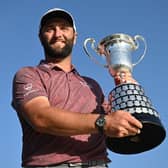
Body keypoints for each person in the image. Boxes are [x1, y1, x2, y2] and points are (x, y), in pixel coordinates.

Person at [12, 8, 143, 168]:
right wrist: (103, 122)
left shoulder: (93, 85)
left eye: (64, 28)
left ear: (75, 37)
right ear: (41, 37)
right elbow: (40, 117)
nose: (58, 33)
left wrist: (129, 94)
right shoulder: (28, 75)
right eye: (50, 29)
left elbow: (116, 129)